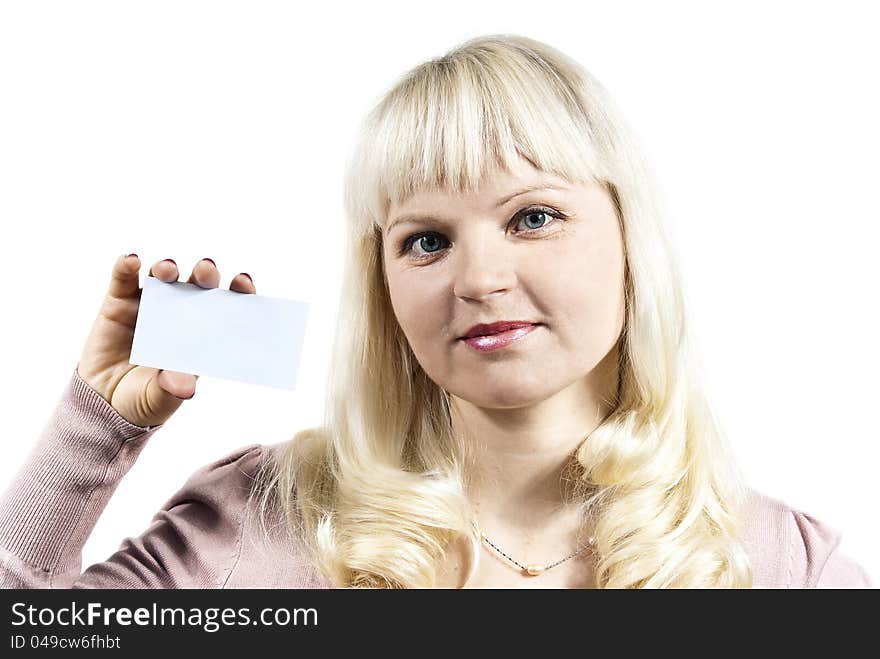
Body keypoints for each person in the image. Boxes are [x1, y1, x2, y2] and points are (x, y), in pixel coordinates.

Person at [0, 34, 872, 589]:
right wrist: (97, 422)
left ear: (631, 238)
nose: (479, 279)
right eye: (425, 240)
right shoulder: (263, 522)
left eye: (534, 217)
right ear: (382, 282)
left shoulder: (779, 564)